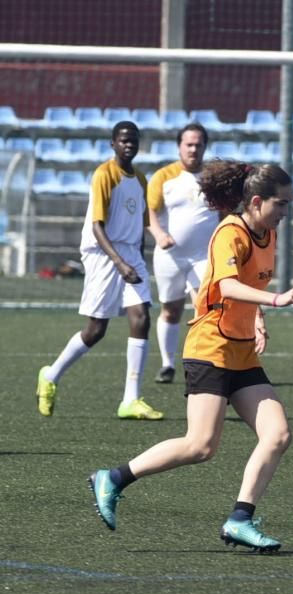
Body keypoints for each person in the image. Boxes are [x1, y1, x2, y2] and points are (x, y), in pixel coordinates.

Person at [87, 161, 293, 552]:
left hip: (241, 351)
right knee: (201, 446)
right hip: (209, 348)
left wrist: (257, 317)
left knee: (277, 435)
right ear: (257, 201)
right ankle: (114, 477)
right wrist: (276, 300)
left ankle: (239, 519)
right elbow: (225, 285)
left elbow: (249, 283)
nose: (285, 212)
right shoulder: (230, 232)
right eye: (281, 203)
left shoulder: (268, 233)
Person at [36, 121, 164, 420]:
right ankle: (51, 375)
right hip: (104, 254)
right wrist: (119, 263)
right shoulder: (104, 174)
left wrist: (138, 259)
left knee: (142, 316)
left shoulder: (141, 179)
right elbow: (97, 226)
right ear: (113, 144)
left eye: (133, 140)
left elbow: (141, 225)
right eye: (123, 140)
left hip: (130, 253)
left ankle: (130, 400)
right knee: (96, 330)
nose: (128, 144)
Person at [147, 122, 219, 385]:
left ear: (204, 147)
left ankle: (201, 364)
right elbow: (149, 211)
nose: (193, 149)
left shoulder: (213, 177)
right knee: (171, 310)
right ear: (179, 146)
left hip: (203, 256)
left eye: (198, 144)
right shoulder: (164, 176)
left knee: (204, 308)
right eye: (188, 144)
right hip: (170, 256)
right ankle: (167, 365)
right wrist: (159, 234)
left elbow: (224, 211)